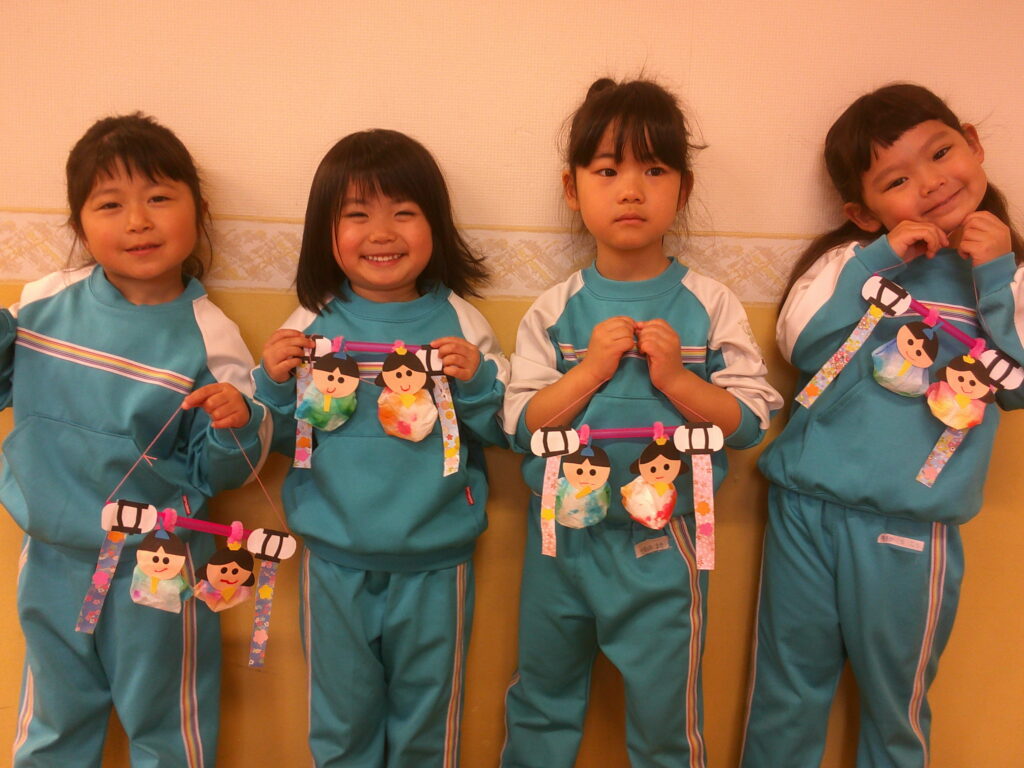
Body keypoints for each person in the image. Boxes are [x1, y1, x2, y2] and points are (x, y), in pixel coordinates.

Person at [501, 78, 782, 768]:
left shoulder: (709, 303)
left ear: (683, 191)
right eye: (608, 171)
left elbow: (750, 422)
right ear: (572, 189)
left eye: (654, 170)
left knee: (666, 718)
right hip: (560, 540)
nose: (630, 190)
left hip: (665, 546)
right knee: (540, 702)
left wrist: (678, 380)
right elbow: (522, 426)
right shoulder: (555, 309)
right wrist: (589, 372)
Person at [742, 83, 1024, 767]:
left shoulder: (1009, 276)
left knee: (896, 707)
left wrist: (995, 276)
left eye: (941, 153)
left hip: (911, 528)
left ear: (973, 144)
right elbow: (801, 344)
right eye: (896, 180)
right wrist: (876, 259)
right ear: (862, 212)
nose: (928, 183)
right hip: (804, 508)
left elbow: (1018, 384)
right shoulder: (853, 260)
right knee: (785, 692)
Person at [1, 113, 268, 767]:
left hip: (157, 564)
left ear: (198, 211)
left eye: (158, 197)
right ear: (79, 224)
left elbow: (225, 471)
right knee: (53, 726)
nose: (138, 222)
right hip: (51, 557)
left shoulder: (210, 335)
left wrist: (239, 421)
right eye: (110, 205)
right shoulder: (42, 303)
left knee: (167, 725)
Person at [255, 129, 509, 767]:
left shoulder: (461, 322)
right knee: (341, 725)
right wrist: (273, 385)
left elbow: (504, 431)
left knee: (427, 726)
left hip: (437, 561)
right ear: (326, 231)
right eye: (357, 214)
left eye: (404, 212)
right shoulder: (308, 323)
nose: (382, 233)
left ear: (435, 224)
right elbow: (281, 440)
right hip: (332, 560)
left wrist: (477, 383)